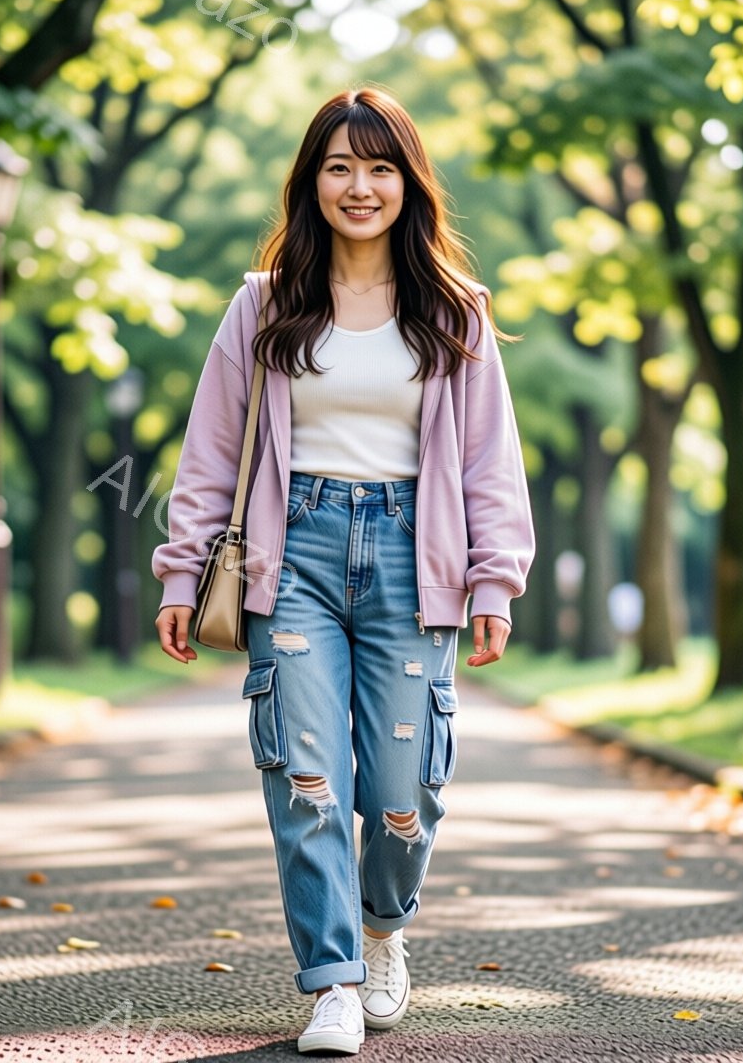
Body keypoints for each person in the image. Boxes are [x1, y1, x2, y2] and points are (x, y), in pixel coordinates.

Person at [151, 86, 536, 1055]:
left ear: (408, 183)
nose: (359, 187)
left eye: (379, 167)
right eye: (339, 167)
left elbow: (490, 460)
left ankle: (382, 926)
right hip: (293, 554)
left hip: (416, 556)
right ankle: (331, 981)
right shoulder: (264, 303)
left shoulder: (454, 310)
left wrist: (495, 581)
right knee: (306, 775)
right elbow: (210, 453)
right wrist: (181, 574)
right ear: (311, 183)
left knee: (406, 793)